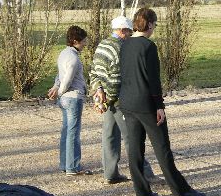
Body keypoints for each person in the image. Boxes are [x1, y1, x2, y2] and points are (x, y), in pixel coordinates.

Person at [119, 8, 205, 196]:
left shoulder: (125, 44)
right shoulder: (148, 47)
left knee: (135, 150)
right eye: (154, 24)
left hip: (127, 102)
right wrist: (160, 106)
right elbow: (153, 80)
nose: (154, 27)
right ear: (149, 24)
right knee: (162, 148)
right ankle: (180, 190)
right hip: (146, 103)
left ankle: (142, 193)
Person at [89, 15, 158, 184]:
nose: (130, 34)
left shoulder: (102, 45)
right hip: (117, 100)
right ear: (122, 31)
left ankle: (110, 174)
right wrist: (112, 98)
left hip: (105, 98)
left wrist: (99, 93)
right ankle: (144, 174)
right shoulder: (120, 48)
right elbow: (116, 77)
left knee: (109, 136)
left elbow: (95, 71)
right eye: (128, 31)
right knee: (131, 137)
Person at [48, 25, 92, 176]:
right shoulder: (73, 58)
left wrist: (56, 87)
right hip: (73, 98)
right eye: (83, 41)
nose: (85, 44)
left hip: (65, 100)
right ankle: (73, 167)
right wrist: (59, 92)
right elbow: (67, 80)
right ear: (75, 41)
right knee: (73, 133)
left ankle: (64, 164)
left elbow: (59, 75)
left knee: (66, 131)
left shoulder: (63, 54)